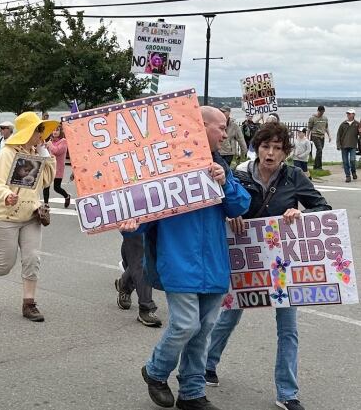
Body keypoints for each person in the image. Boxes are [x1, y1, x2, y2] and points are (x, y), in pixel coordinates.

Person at [128, 106, 251, 410]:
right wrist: (131, 223)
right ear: (201, 126)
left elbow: (240, 206)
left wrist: (226, 183)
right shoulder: (168, 169)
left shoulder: (220, 167)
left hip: (215, 264)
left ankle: (192, 391)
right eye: (220, 127)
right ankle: (155, 371)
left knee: (204, 329)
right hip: (179, 263)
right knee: (185, 325)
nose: (225, 134)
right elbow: (145, 214)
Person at [206, 122, 330, 410]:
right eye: (265, 146)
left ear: (286, 152)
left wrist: (298, 214)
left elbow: (322, 207)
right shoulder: (238, 174)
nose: (270, 153)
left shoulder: (294, 177)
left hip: (282, 263)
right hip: (246, 259)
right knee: (229, 316)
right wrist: (230, 215)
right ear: (257, 148)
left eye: (277, 148)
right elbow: (219, 204)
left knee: (288, 328)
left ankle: (287, 393)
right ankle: (207, 365)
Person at [0, 111, 57, 322]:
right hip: (6, 217)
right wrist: (7, 195)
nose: (42, 135)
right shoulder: (7, 153)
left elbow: (46, 180)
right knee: (6, 263)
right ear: (28, 132)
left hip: (31, 215)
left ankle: (29, 303)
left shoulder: (38, 152)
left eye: (42, 131)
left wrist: (46, 155)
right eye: (38, 131)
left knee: (32, 258)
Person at [115, 231, 161, 328]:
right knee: (140, 255)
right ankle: (146, 307)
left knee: (155, 249)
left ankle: (125, 283)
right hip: (135, 219)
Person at [43, 124, 71, 208]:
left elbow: (57, 151)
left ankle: (67, 196)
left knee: (57, 187)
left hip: (58, 168)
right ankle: (46, 204)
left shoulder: (63, 141)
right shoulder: (50, 141)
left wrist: (49, 144)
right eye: (53, 130)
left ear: (60, 131)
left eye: (57, 130)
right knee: (46, 185)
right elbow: (47, 152)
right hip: (49, 167)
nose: (55, 132)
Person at [336, 109, 360, 182]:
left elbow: (360, 135)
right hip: (344, 146)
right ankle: (348, 176)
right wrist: (338, 145)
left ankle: (353, 172)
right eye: (348, 114)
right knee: (345, 162)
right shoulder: (343, 124)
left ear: (353, 115)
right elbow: (338, 135)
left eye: (350, 114)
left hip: (353, 146)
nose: (349, 115)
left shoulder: (357, 124)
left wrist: (360, 131)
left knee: (352, 161)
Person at [306, 105, 330, 170]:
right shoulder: (312, 118)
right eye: (320, 112)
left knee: (319, 151)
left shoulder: (325, 118)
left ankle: (315, 166)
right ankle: (319, 166)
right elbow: (309, 128)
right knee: (319, 149)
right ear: (318, 111)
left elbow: (326, 127)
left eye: (323, 112)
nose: (321, 113)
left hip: (322, 136)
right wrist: (307, 137)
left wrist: (329, 136)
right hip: (315, 135)